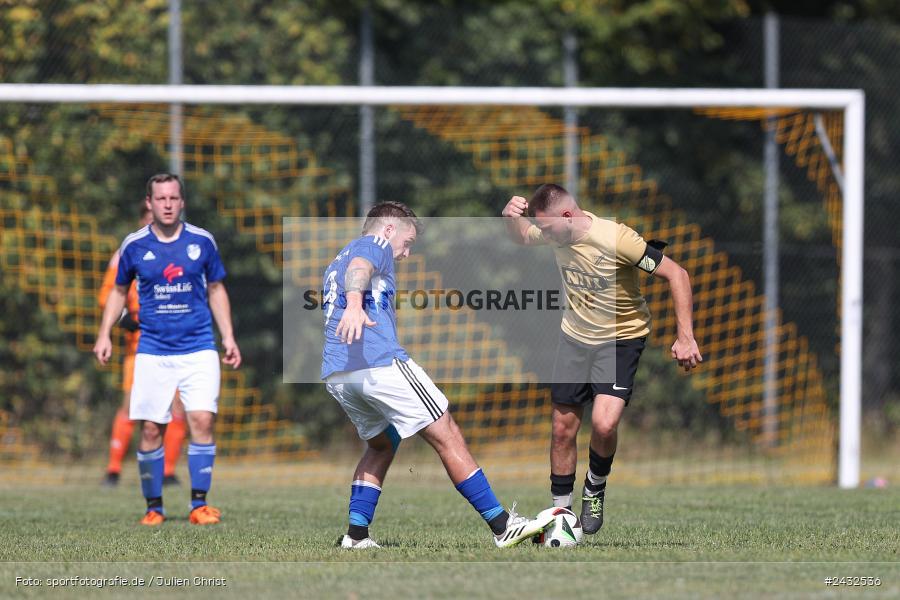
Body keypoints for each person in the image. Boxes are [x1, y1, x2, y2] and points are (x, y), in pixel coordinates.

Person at [322, 201, 555, 549]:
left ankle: (356, 536)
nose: (406, 253)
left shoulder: (338, 258)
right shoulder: (375, 244)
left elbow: (353, 270)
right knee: (447, 432)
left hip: (339, 373)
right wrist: (355, 305)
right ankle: (502, 525)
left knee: (382, 444)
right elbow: (361, 268)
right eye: (408, 242)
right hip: (377, 363)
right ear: (389, 229)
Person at [501, 184, 702, 535]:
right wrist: (509, 218)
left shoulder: (617, 239)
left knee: (605, 425)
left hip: (620, 340)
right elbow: (521, 237)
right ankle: (560, 515)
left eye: (546, 227)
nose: (543, 234)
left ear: (567, 216)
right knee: (562, 429)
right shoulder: (555, 232)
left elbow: (677, 275)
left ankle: (594, 487)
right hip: (574, 339)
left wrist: (686, 336)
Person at [93, 173, 241, 526]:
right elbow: (117, 292)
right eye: (161, 199)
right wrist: (104, 334)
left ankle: (199, 505)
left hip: (199, 346)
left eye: (173, 198)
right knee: (150, 428)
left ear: (182, 201)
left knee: (201, 419)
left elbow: (216, 289)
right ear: (150, 202)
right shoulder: (133, 245)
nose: (168, 205)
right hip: (152, 350)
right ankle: (154, 507)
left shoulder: (202, 241)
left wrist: (228, 336)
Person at [99, 204, 187, 487]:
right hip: (139, 347)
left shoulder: (183, 251)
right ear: (142, 220)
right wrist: (125, 317)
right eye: (150, 218)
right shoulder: (126, 252)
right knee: (131, 406)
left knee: (177, 408)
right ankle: (113, 470)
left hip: (176, 343)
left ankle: (168, 471)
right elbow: (107, 296)